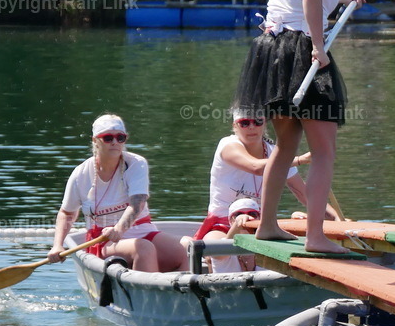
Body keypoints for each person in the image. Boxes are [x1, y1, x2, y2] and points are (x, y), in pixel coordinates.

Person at [234, 0, 364, 254]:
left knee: (286, 144)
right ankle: (315, 236)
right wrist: (319, 48)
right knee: (323, 152)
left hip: (271, 50)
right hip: (301, 52)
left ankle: (269, 226)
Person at [192, 109, 338, 270]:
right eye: (245, 123)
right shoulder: (227, 145)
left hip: (259, 223)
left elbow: (302, 192)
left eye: (257, 122)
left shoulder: (275, 152)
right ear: (235, 125)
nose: (251, 127)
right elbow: (255, 167)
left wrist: (336, 219)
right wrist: (300, 160)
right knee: (215, 250)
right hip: (222, 223)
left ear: (265, 123)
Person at [48, 114, 185, 272]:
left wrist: (119, 229)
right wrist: (57, 245)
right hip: (103, 238)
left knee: (187, 247)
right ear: (95, 141)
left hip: (141, 230)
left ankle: (187, 295)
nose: (115, 142)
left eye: (120, 137)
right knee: (143, 248)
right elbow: (67, 213)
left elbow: (137, 204)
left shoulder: (136, 164)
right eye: (107, 138)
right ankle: (145, 294)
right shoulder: (81, 174)